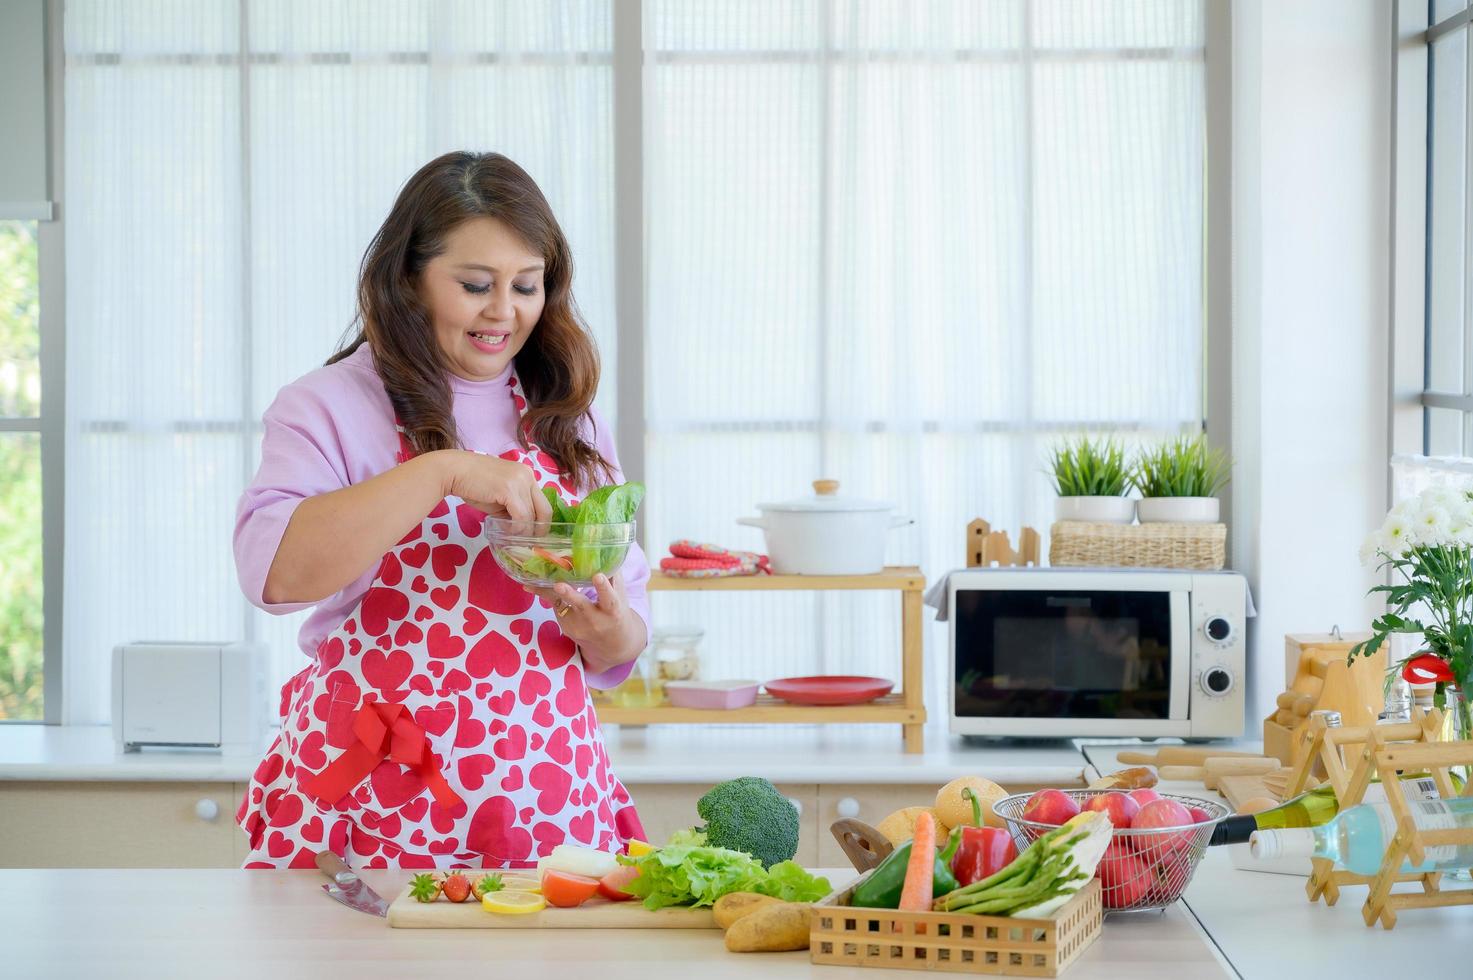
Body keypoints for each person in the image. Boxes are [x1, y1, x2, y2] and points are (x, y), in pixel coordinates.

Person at [233, 151, 649, 869]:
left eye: (527, 285)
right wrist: (441, 471)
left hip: (541, 798)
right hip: (374, 798)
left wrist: (609, 629)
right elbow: (277, 575)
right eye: (475, 285)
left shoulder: (564, 416)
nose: (504, 311)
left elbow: (622, 644)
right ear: (408, 279)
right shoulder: (327, 405)